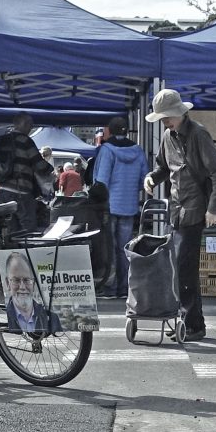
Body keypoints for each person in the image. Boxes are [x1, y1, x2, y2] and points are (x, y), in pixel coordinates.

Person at [144, 89, 216, 342]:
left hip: (194, 208)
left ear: (180, 113)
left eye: (167, 117)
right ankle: (188, 321)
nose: (164, 121)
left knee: (184, 267)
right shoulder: (168, 137)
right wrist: (152, 177)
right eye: (162, 118)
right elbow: (162, 166)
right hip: (177, 209)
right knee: (180, 268)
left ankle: (193, 325)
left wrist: (214, 208)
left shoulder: (199, 134)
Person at [94, 116, 149, 300]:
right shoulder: (138, 151)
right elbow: (145, 180)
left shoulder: (107, 150)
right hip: (129, 206)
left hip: (110, 206)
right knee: (125, 248)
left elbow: (101, 181)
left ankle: (111, 286)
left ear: (109, 130)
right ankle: (125, 286)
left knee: (109, 248)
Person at [0, 113, 47, 234]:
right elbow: (40, 165)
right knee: (27, 231)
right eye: (30, 125)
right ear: (24, 124)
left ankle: (10, 252)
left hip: (3, 191)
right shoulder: (25, 140)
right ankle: (24, 252)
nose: (30, 128)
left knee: (10, 230)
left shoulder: (2, 140)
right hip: (21, 191)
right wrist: (49, 170)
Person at [3, 252, 62, 332]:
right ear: (7, 283)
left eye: (27, 280)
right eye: (16, 280)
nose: (22, 287)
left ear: (34, 283)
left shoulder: (53, 319)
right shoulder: (6, 317)